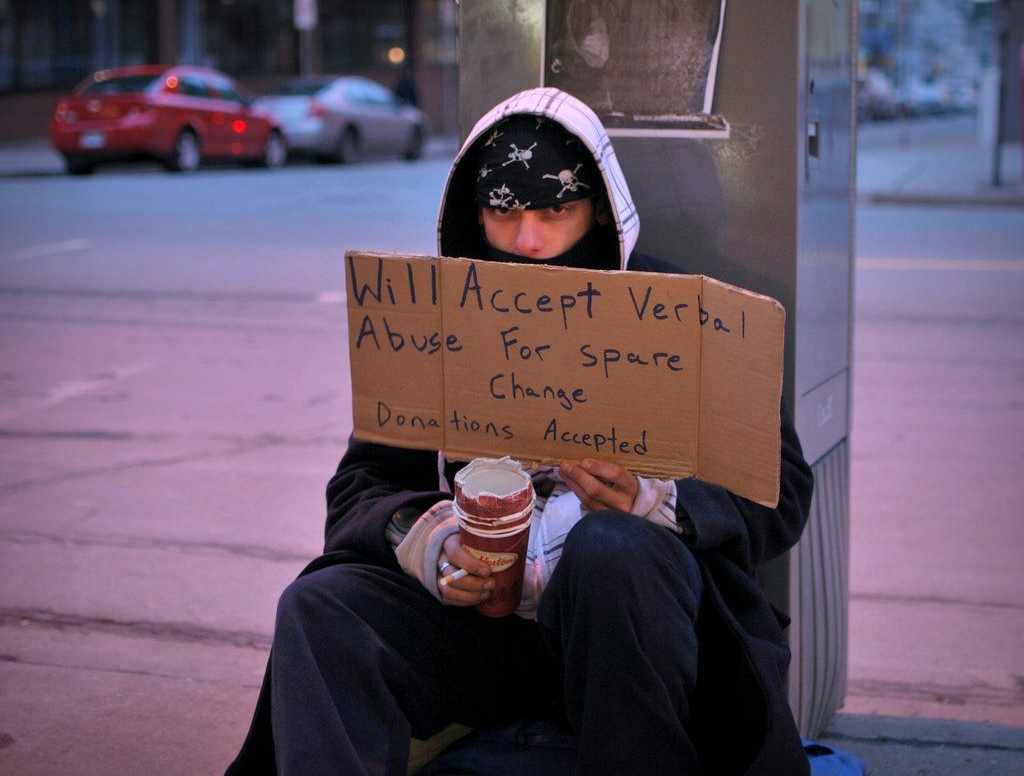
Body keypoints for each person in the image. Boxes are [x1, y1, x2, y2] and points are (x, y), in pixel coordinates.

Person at [226, 87, 814, 775]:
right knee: (319, 604)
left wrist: (656, 501)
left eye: (553, 210)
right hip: (483, 636)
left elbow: (783, 487)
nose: (527, 239)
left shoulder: (678, 314)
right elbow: (361, 487)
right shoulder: (442, 316)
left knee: (612, 546)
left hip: (633, 636)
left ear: (598, 207)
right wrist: (430, 542)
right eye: (503, 213)